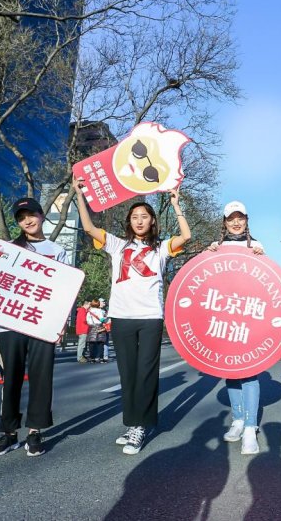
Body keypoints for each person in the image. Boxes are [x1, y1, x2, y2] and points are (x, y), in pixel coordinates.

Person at [75, 175, 190, 455]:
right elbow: (89, 226)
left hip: (150, 317)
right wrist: (79, 194)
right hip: (122, 317)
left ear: (152, 221)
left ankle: (142, 425)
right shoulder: (117, 245)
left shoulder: (162, 248)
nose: (139, 220)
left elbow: (186, 236)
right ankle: (133, 423)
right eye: (134, 216)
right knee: (127, 374)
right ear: (129, 221)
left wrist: (176, 204)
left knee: (146, 373)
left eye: (144, 216)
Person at [0, 198, 69, 458]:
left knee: (41, 378)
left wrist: (62, 321)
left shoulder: (57, 250)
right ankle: (8, 434)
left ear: (42, 215)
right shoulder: (7, 248)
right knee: (10, 379)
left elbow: (64, 289)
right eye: (21, 218)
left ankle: (35, 432)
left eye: (31, 214)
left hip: (42, 324)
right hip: (9, 324)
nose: (28, 221)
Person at [207, 201, 266, 455]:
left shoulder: (256, 246)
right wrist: (208, 254)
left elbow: (265, 280)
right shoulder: (217, 247)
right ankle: (238, 420)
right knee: (230, 370)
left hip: (248, 316)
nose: (236, 222)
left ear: (246, 219)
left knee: (250, 372)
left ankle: (251, 428)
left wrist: (261, 257)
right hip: (225, 315)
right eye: (231, 218)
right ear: (224, 222)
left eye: (240, 217)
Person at [86, 299, 108, 363]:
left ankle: (92, 359)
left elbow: (87, 321)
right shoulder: (99, 311)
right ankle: (101, 358)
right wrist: (105, 319)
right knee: (100, 344)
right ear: (98, 304)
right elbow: (101, 319)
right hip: (99, 327)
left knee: (91, 344)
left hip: (92, 328)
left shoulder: (89, 312)